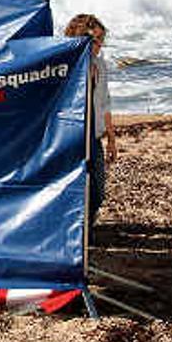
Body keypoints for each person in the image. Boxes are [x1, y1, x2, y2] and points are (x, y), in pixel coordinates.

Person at [64, 14, 116, 221]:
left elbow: (105, 103)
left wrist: (111, 139)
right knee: (73, 188)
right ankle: (79, 232)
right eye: (95, 40)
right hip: (71, 137)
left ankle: (87, 227)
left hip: (93, 136)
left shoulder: (100, 65)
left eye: (102, 40)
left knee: (97, 192)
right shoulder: (65, 66)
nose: (100, 46)